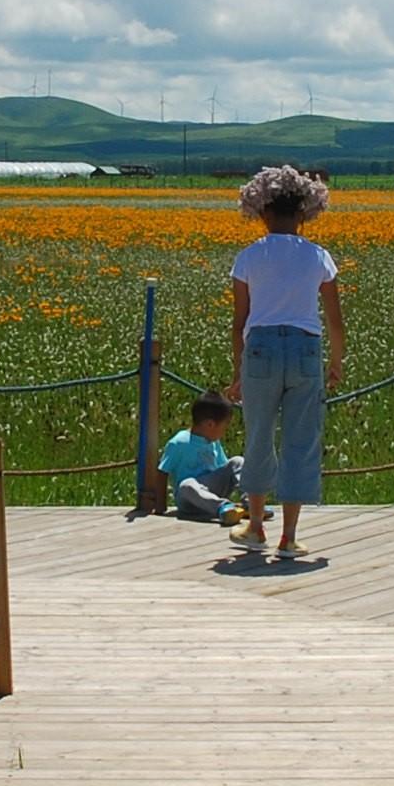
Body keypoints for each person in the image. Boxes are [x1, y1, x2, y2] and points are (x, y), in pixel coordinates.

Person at [227, 164, 343, 560]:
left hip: (259, 348)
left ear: (262, 212)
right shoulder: (319, 257)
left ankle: (256, 527)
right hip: (306, 349)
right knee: (301, 439)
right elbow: (334, 317)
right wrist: (336, 360)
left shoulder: (248, 257)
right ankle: (289, 536)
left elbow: (239, 322)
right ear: (304, 214)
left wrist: (237, 371)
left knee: (258, 435)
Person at [158, 391, 243, 525]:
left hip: (212, 490)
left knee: (238, 461)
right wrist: (159, 504)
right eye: (224, 426)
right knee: (187, 484)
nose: (225, 431)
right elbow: (163, 472)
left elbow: (223, 466)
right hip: (190, 499)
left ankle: (249, 502)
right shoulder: (179, 443)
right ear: (210, 424)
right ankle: (222, 507)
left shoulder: (214, 441)